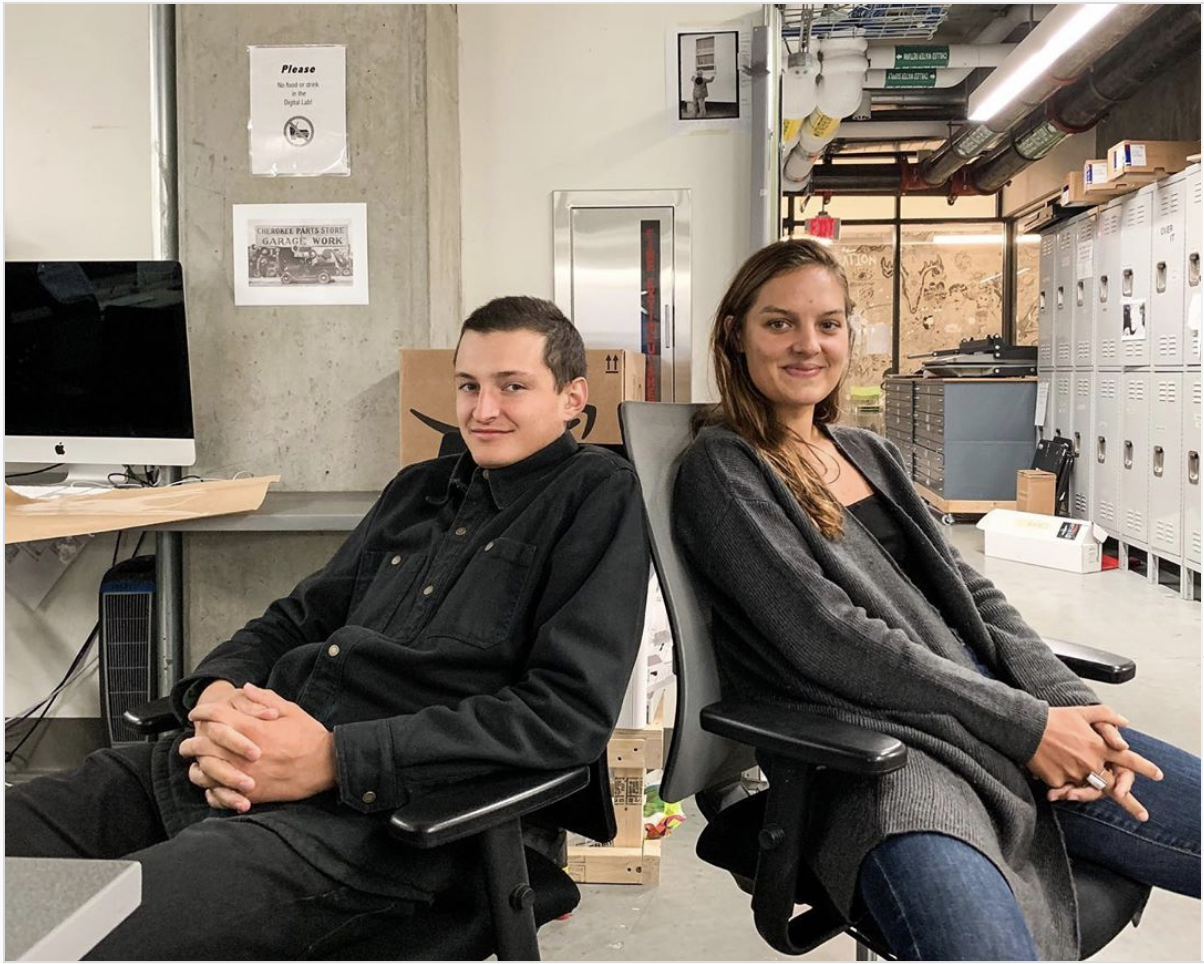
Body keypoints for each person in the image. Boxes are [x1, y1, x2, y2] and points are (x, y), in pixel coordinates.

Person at [6, 296, 651, 960]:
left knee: (74, 932)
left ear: (573, 397)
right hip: (235, 765)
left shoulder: (598, 497)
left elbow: (564, 716)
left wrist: (332, 759)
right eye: (468, 385)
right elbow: (297, 617)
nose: (482, 410)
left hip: (381, 827)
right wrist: (216, 692)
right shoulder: (417, 489)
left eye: (512, 386)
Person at [672, 239, 1200, 961]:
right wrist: (1026, 728)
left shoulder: (864, 449)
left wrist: (1067, 707)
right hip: (885, 757)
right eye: (779, 323)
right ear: (734, 334)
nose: (807, 345)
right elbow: (832, 639)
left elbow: (974, 593)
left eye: (827, 323)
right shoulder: (725, 466)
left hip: (998, 721)